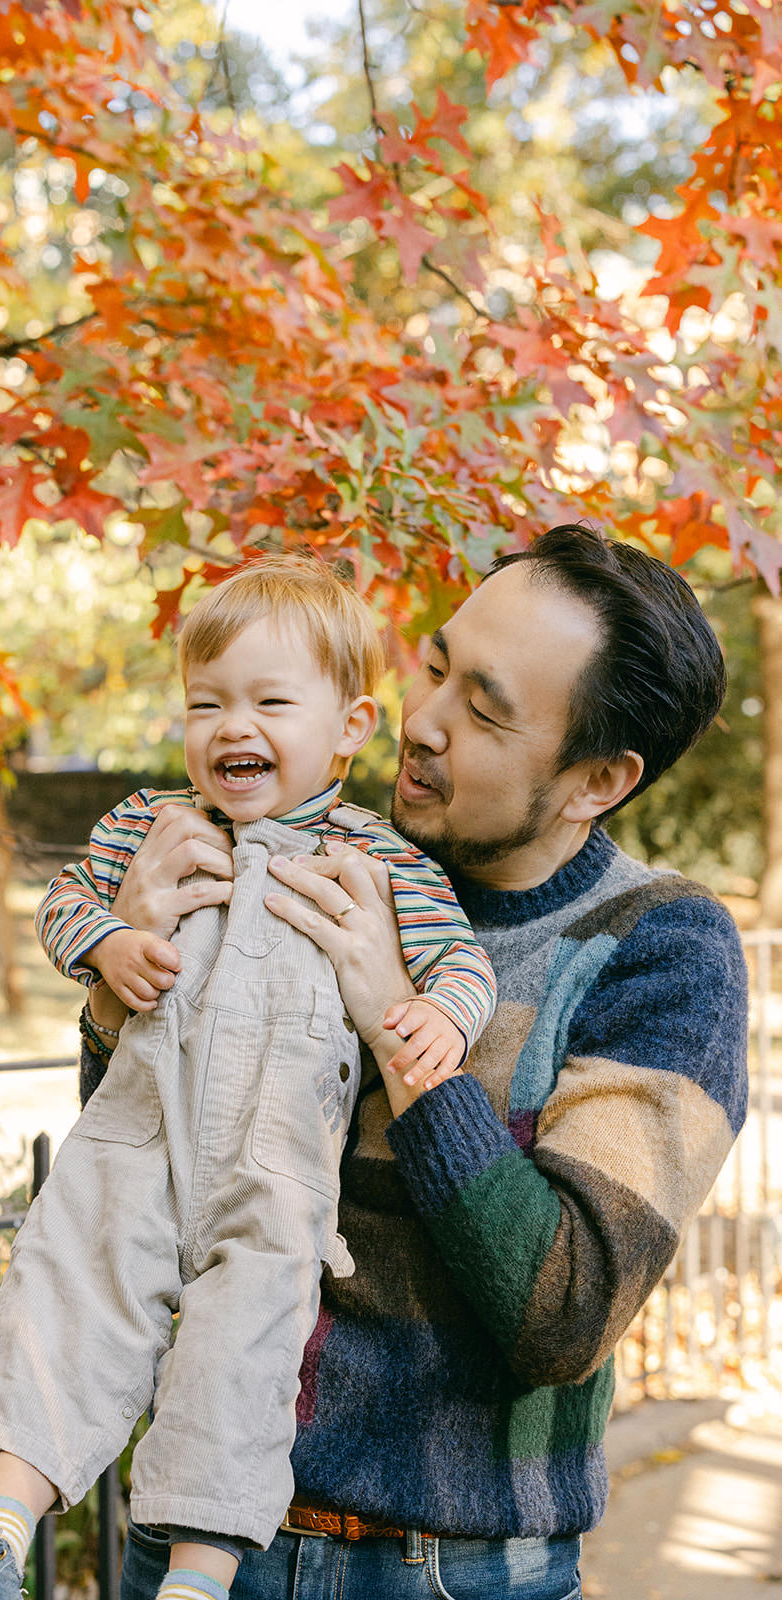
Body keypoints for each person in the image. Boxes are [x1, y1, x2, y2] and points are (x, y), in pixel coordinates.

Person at [105, 525, 749, 1600]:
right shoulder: (312, 853)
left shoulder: (654, 947)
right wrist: (122, 978)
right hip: (196, 1541)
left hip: (447, 1573)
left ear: (595, 778)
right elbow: (153, 1173)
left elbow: (566, 1310)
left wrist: (405, 1028)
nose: (419, 721)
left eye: (482, 708)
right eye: (435, 666)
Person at [0, 556, 496, 1600]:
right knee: (68, 1294)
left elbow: (459, 962)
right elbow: (62, 903)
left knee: (243, 1354)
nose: (230, 726)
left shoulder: (380, 858)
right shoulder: (151, 823)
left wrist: (439, 1012)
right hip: (136, 1137)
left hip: (276, 1164)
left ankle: (197, 1578)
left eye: (268, 700)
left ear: (350, 726)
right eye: (205, 702)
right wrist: (112, 942)